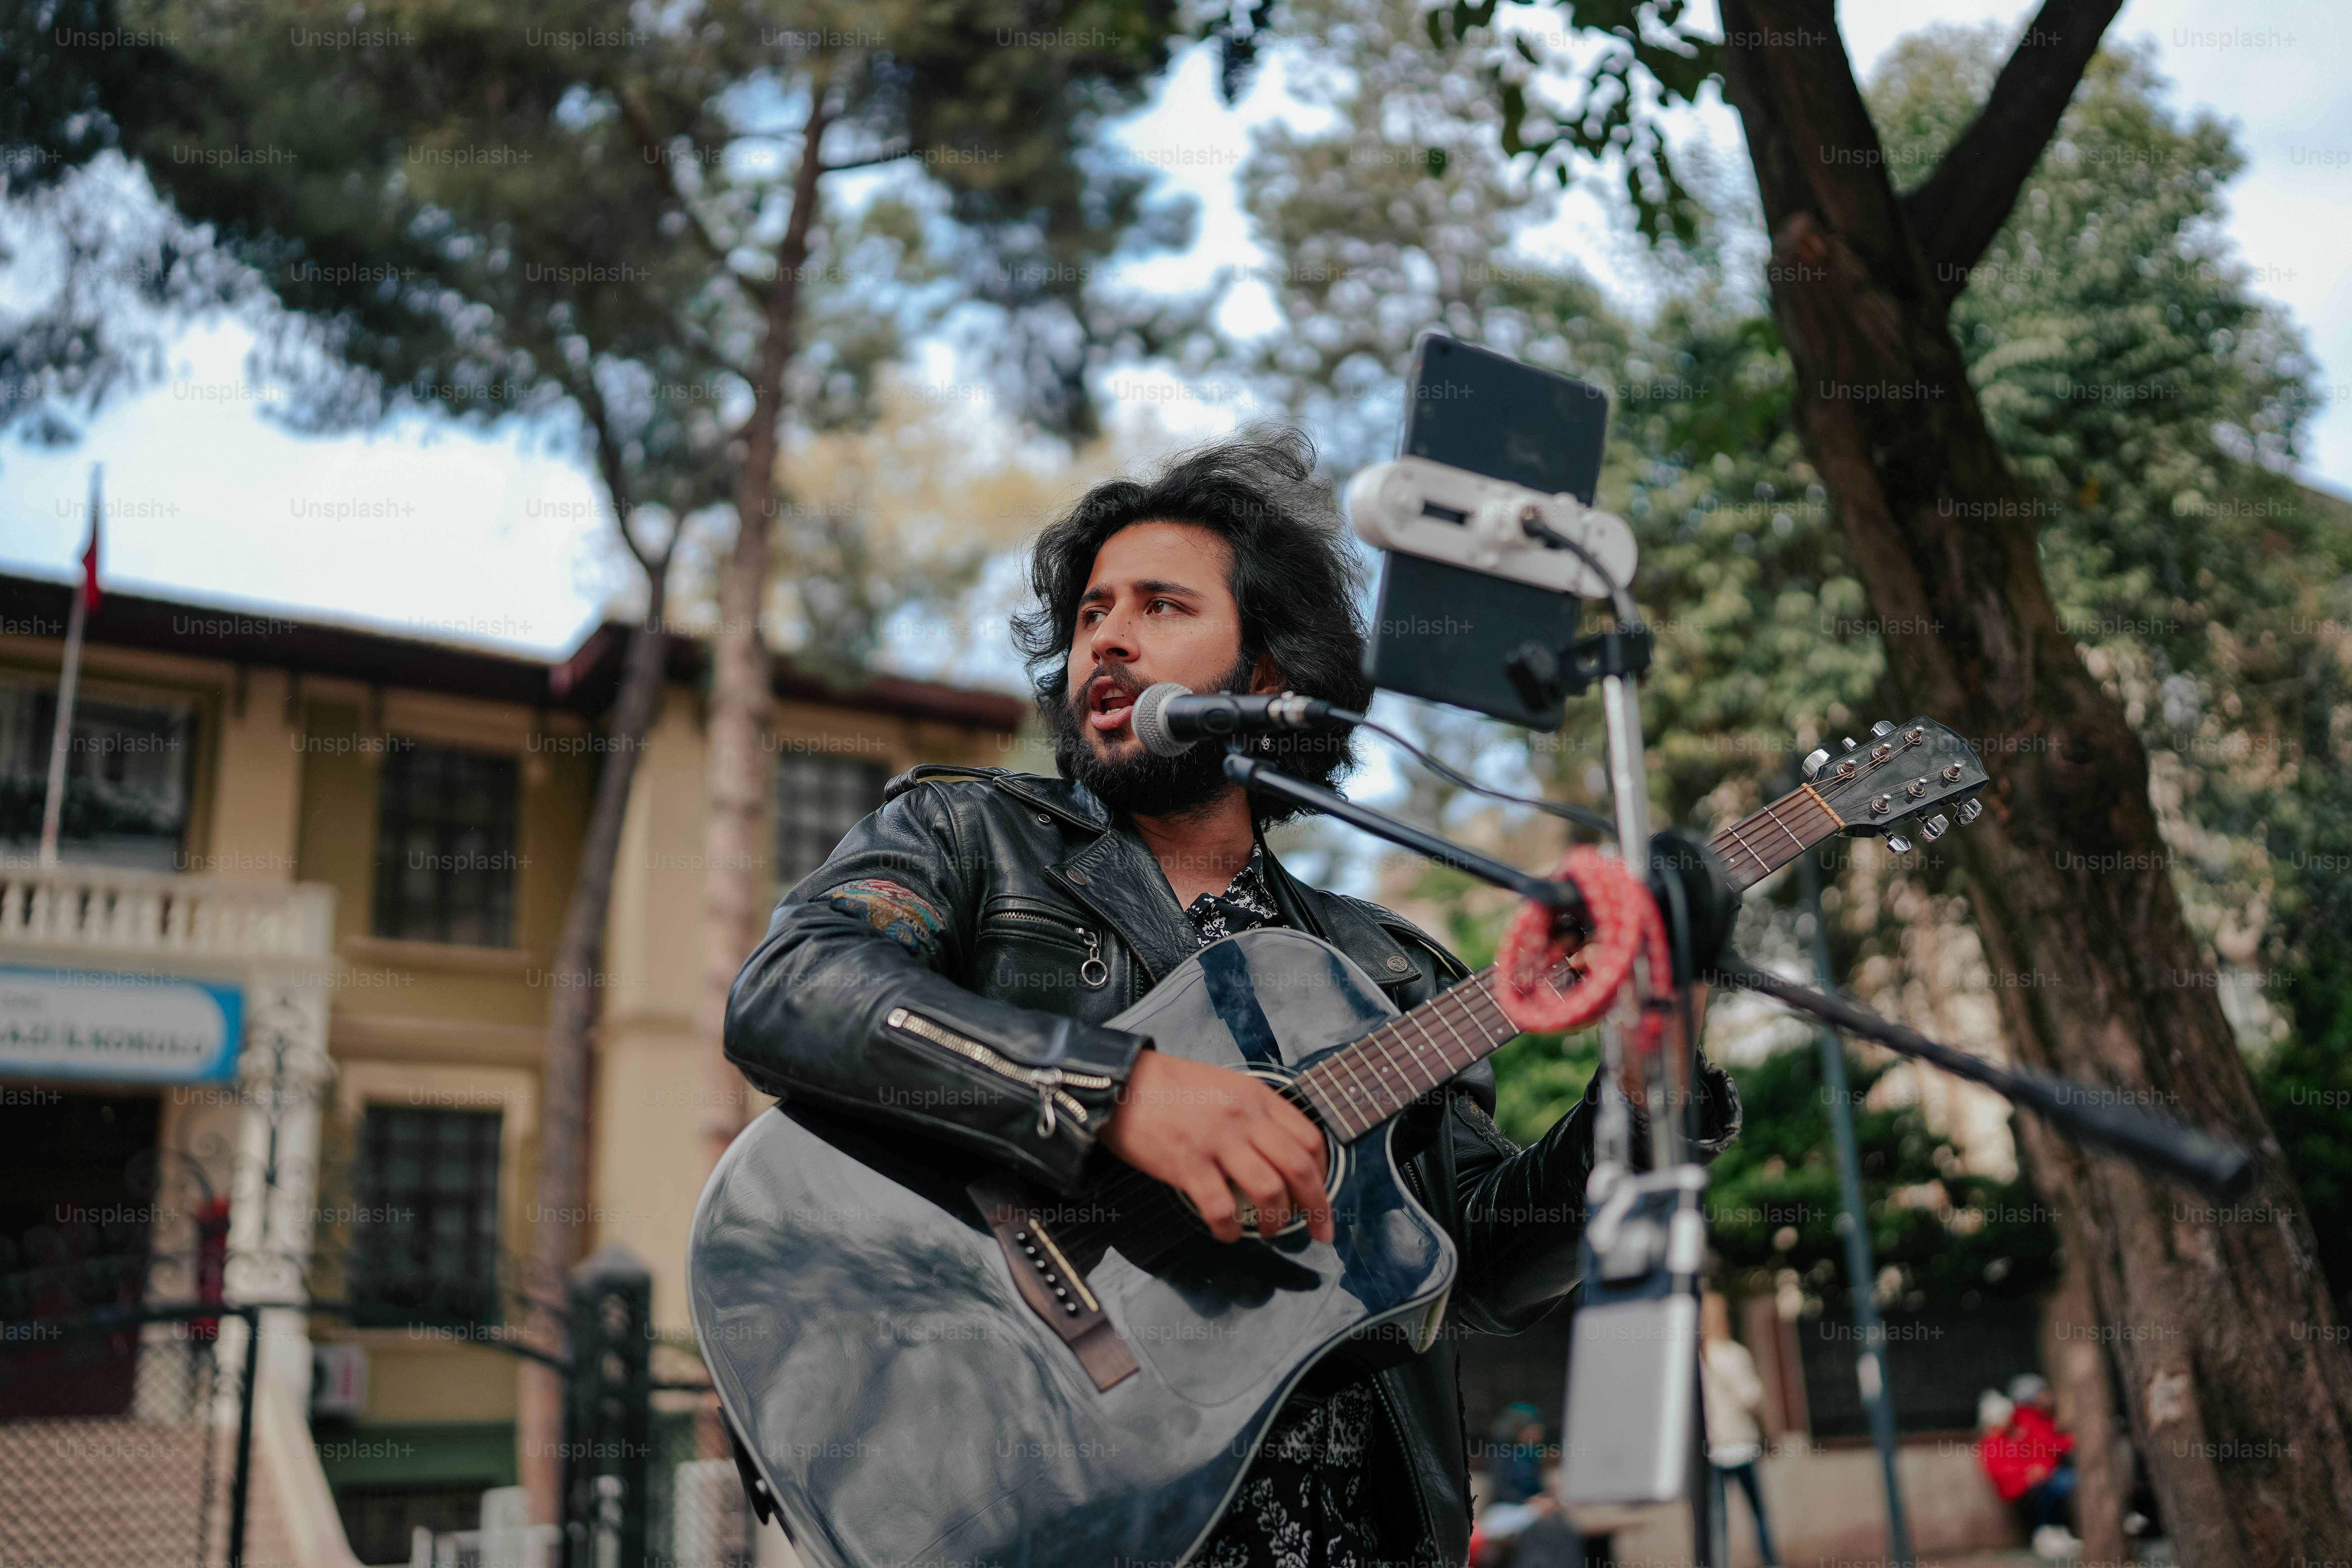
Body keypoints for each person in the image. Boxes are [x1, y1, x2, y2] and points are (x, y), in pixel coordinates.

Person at [723, 430, 1743, 1568]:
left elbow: (1484, 1272)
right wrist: (1112, 1092)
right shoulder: (966, 836)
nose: (1105, 635)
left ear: (1266, 679)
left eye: (1160, 606)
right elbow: (792, 989)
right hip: (1068, 1512)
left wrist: (1657, 1035)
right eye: (1088, 615)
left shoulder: (1391, 968)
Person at [1698, 1291, 1778, 1567]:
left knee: (1717, 1520)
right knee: (1758, 1513)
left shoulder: (1695, 1360)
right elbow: (1752, 1397)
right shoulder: (1733, 1354)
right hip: (1741, 1446)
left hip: (1712, 1450)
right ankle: (1769, 1562)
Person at [1977, 1373, 2079, 1559]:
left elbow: (2028, 1456)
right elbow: (2000, 1471)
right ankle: (2046, 1533)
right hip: (2019, 1486)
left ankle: (2056, 1531)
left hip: (2034, 1479)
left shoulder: (2011, 1437)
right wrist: (2028, 1473)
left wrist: (2035, 1469)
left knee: (2052, 1485)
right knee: (2053, 1486)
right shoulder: (1993, 1443)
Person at [1486, 1402, 1548, 1506]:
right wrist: (1530, 1502)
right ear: (1518, 1430)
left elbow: (1538, 1487)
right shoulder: (1502, 1454)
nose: (1538, 1437)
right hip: (1509, 1508)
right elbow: (1502, 1490)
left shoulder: (1530, 1454)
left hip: (1534, 1508)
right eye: (1533, 1431)